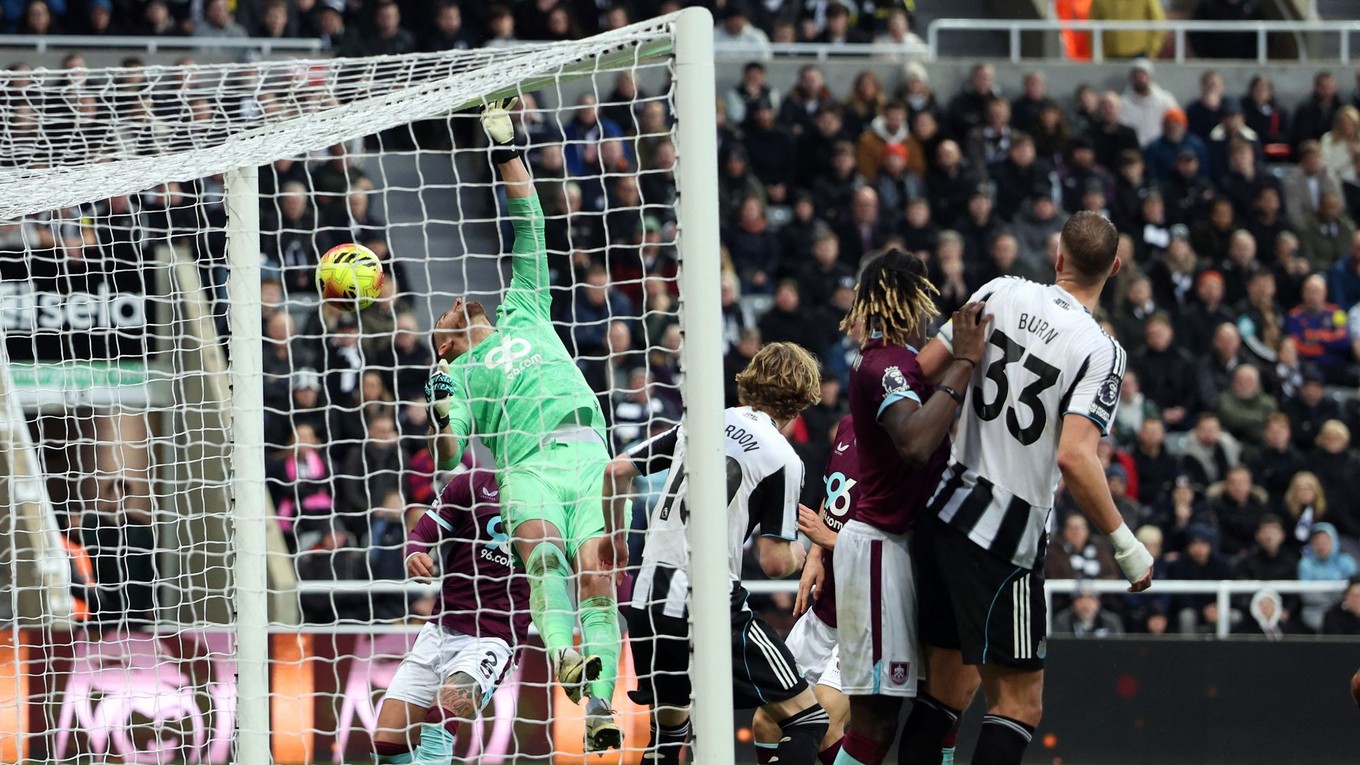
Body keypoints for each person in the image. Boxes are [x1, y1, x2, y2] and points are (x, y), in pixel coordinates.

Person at [904, 211, 1154, 765]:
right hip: (1003, 540)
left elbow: (924, 367)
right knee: (1019, 706)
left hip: (944, 512)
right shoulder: (1101, 352)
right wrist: (1127, 547)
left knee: (946, 692)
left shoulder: (1000, 290)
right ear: (1114, 267)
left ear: (1057, 255)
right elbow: (1075, 456)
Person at [423, 100, 621, 750]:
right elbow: (451, 455)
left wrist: (507, 144)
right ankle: (566, 660)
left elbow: (527, 218)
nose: (453, 305)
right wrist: (443, 405)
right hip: (529, 466)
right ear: (446, 346)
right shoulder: (465, 375)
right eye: (442, 323)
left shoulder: (523, 306)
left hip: (587, 450)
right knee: (547, 559)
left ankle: (598, 701)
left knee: (598, 570)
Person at [603, 343, 829, 765]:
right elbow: (775, 562)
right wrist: (807, 549)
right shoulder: (784, 458)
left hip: (647, 597)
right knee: (807, 719)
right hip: (708, 602)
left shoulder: (701, 423)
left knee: (669, 733)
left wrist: (615, 538)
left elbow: (615, 470)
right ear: (800, 403)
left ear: (748, 385)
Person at [826, 250, 988, 765]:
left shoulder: (890, 361)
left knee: (933, 705)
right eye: (925, 301)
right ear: (907, 299)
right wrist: (962, 362)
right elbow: (916, 443)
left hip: (906, 546)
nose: (930, 316)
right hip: (879, 547)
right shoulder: (885, 363)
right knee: (875, 718)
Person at [371, 458, 530, 765]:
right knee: (385, 746)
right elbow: (422, 534)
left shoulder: (558, 496)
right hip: (440, 629)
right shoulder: (472, 483)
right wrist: (415, 551)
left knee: (440, 718)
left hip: (494, 636)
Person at [756, 414, 859, 765]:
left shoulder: (904, 446)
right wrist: (816, 553)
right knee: (767, 719)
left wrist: (827, 539)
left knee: (825, 718)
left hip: (867, 613)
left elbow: (905, 541)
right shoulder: (847, 425)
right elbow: (834, 496)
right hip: (824, 605)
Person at [1053, 582, 1125, 637]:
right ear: (1074, 603)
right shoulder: (1063, 620)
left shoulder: (1111, 621)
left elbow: (1119, 647)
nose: (1085, 603)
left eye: (1090, 598)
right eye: (1081, 599)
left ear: (1097, 603)